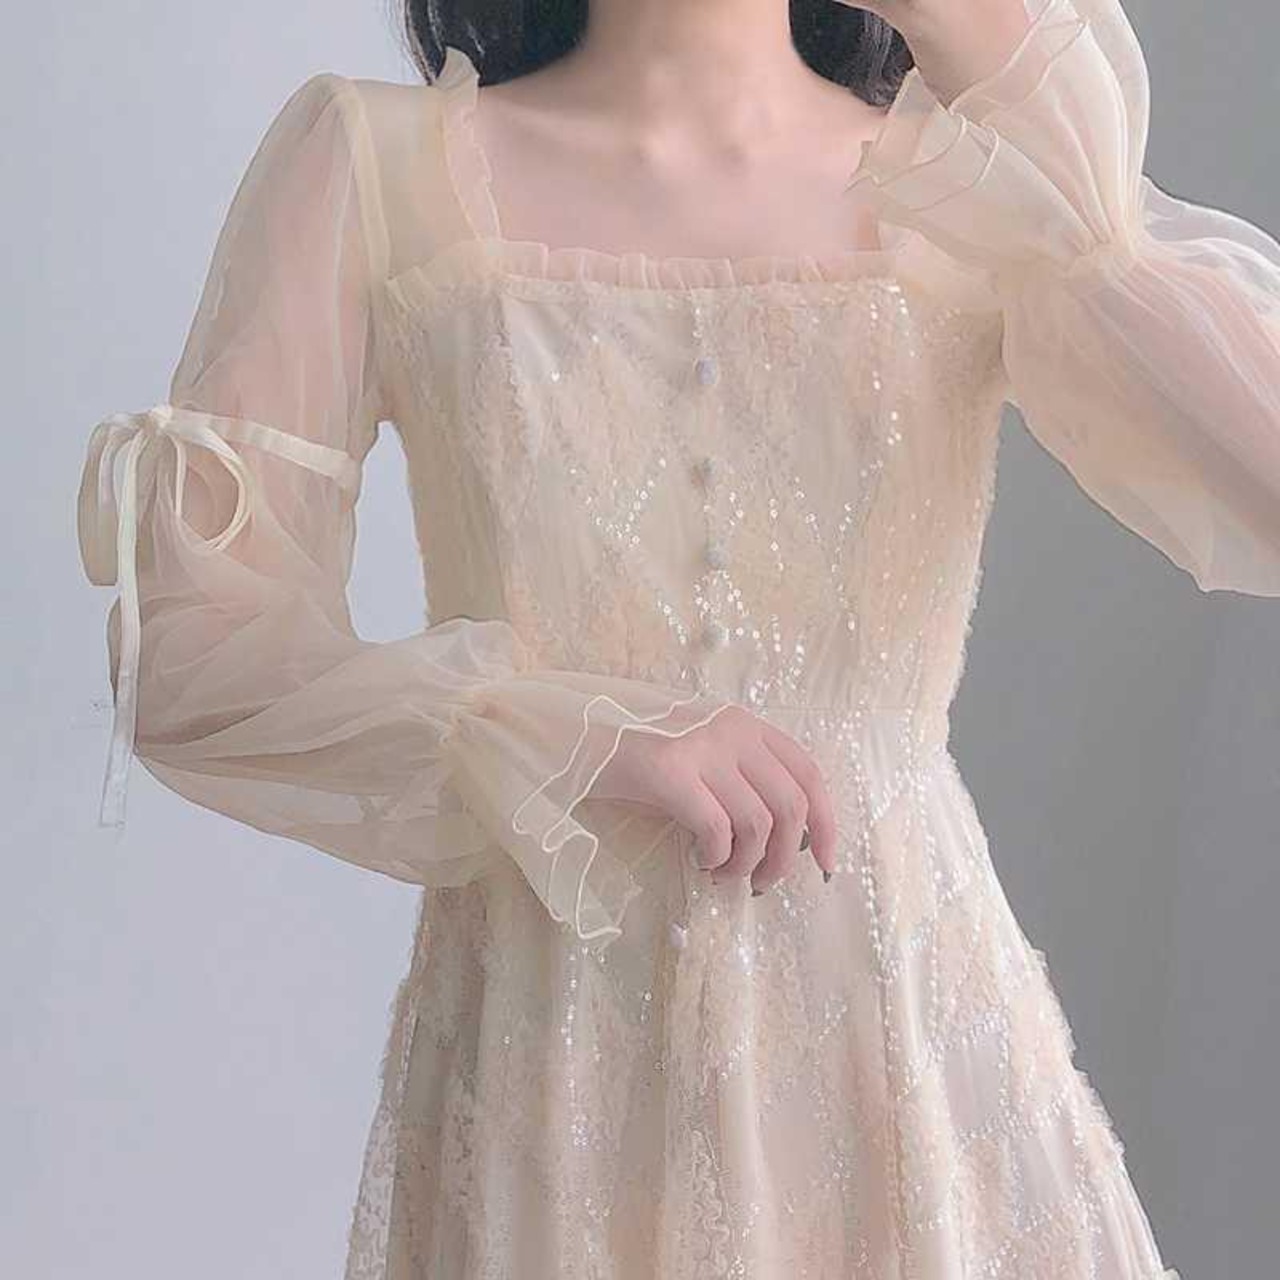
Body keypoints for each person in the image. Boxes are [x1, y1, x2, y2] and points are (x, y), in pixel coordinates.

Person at [75, 0, 1280, 1274]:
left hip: (905, 1045)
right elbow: (197, 660)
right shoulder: (368, 163)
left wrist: (1004, 70)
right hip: (556, 1047)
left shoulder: (969, 178)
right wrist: (565, 733)